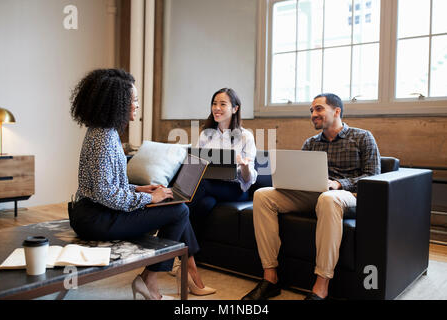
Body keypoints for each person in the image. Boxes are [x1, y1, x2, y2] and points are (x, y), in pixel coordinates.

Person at [68, 68, 215, 299]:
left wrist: (139, 189)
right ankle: (153, 278)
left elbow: (108, 186)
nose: (137, 104)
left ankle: (176, 274)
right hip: (96, 219)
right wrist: (149, 198)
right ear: (116, 103)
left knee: (174, 206)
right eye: (134, 100)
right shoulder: (104, 138)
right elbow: (106, 194)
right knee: (179, 211)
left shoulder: (105, 132)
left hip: (94, 212)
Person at [241, 93, 381, 300]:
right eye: (312, 111)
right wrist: (291, 183)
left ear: (337, 111)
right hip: (314, 194)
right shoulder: (311, 143)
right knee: (263, 195)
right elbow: (301, 175)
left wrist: (339, 183)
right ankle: (270, 278)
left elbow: (373, 176)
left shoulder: (362, 137)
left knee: (328, 199)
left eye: (318, 109)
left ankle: (321, 286)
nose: (313, 114)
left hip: (349, 195)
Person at [187, 88, 258, 236]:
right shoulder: (206, 134)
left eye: (223, 104)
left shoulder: (246, 137)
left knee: (201, 185)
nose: (217, 108)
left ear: (234, 108)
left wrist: (244, 166)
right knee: (205, 204)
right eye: (214, 103)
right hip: (210, 186)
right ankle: (191, 254)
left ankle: (166, 236)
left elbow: (247, 180)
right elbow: (194, 164)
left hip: (235, 189)